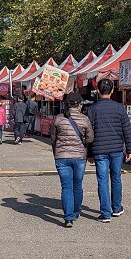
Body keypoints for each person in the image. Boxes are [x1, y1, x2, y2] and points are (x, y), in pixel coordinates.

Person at [87, 79, 131, 222]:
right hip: (116, 149)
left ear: (98, 91)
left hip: (99, 149)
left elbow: (89, 133)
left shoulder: (92, 109)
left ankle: (105, 213)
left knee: (102, 180)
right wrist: (130, 149)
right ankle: (116, 207)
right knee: (116, 178)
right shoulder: (120, 108)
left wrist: (89, 153)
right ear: (113, 90)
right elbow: (126, 130)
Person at [50, 91, 95, 227]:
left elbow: (53, 139)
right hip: (79, 157)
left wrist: (56, 153)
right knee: (77, 185)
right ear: (80, 105)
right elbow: (90, 138)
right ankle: (76, 211)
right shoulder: (84, 119)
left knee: (66, 187)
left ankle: (68, 217)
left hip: (62, 157)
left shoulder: (58, 119)